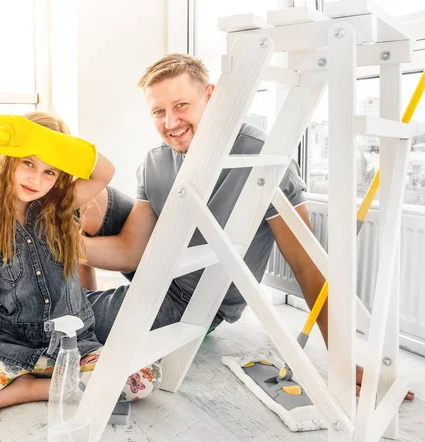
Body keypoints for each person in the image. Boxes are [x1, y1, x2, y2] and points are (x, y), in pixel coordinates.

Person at [77, 54, 414, 400]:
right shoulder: (155, 161)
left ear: (210, 96)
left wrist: (342, 361)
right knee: (75, 199)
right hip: (156, 265)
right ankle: (77, 292)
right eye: (158, 112)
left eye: (181, 105)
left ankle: (74, 305)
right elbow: (133, 249)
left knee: (59, 320)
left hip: (192, 300)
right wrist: (65, 242)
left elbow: (306, 264)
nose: (171, 121)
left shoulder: (260, 156)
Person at [0, 112, 162, 430]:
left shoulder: (61, 207)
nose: (36, 179)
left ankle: (28, 389)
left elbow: (105, 171)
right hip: (13, 345)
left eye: (49, 171)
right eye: (28, 163)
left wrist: (43, 140)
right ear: (8, 159)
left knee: (145, 376)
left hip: (74, 345)